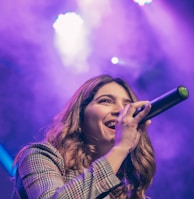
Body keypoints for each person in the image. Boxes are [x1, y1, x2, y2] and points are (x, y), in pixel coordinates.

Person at [11, 74, 156, 199]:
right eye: (106, 101)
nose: (120, 110)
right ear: (80, 115)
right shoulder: (40, 156)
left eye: (128, 105)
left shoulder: (128, 185)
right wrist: (121, 147)